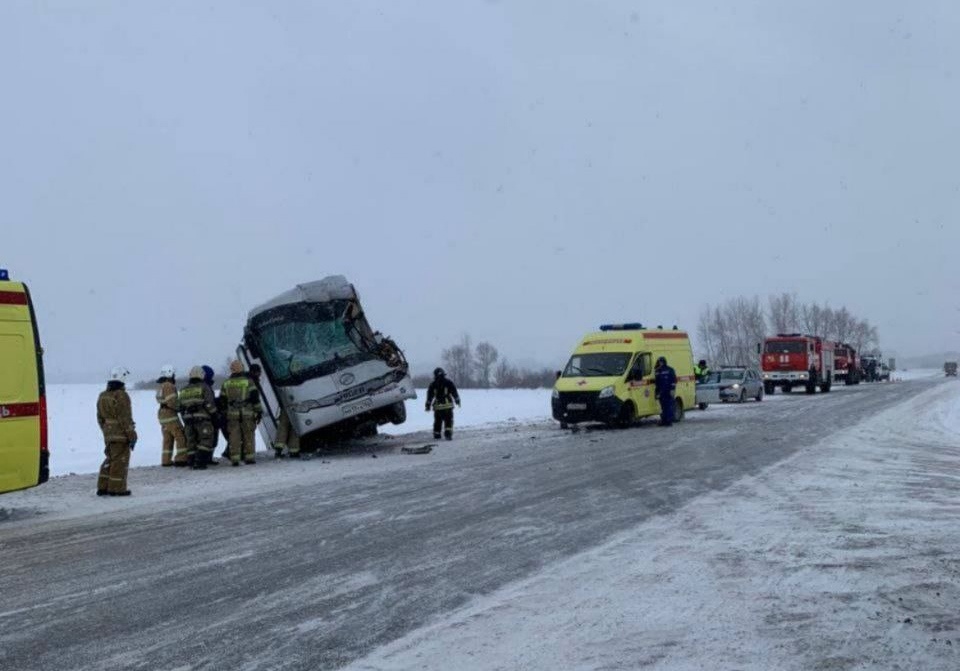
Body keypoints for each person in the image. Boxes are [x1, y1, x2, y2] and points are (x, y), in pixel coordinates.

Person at [96, 367, 137, 496]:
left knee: (110, 459)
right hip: (120, 434)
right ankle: (116, 489)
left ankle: (102, 486)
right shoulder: (121, 395)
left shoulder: (102, 396)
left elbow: (100, 418)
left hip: (108, 434)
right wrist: (132, 436)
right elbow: (125, 418)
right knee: (120, 461)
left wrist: (106, 430)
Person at [219, 360, 263, 465]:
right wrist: (259, 412)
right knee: (249, 435)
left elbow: (222, 400)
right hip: (247, 413)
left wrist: (225, 412)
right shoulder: (249, 381)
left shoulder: (226, 383)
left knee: (234, 436)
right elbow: (255, 398)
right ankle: (250, 458)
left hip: (232, 414)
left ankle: (235, 459)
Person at [179, 365, 219, 469]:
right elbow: (209, 404)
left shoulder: (183, 389)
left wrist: (185, 419)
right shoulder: (204, 387)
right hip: (202, 420)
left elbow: (181, 407)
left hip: (188, 420)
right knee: (206, 439)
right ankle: (200, 462)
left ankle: (191, 461)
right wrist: (215, 416)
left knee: (191, 442)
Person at [155, 364, 188, 467]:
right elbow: (172, 401)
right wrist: (181, 407)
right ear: (169, 373)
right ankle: (181, 459)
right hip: (170, 414)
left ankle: (166, 460)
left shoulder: (161, 386)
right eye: (173, 374)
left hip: (162, 415)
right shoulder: (169, 385)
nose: (174, 376)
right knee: (180, 435)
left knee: (167, 438)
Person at [425, 367, 461, 440]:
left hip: (437, 407)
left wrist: (428, 405)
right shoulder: (449, 382)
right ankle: (448, 434)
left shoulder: (433, 384)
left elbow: (430, 396)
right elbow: (454, 392)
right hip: (448, 406)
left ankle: (437, 434)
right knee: (448, 420)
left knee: (437, 421)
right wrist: (457, 400)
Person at [654, 356, 677, 427]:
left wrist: (672, 389)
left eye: (661, 361)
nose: (660, 363)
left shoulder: (670, 369)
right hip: (661, 391)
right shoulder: (657, 370)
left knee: (668, 406)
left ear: (664, 362)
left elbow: (674, 380)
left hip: (668, 391)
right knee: (663, 407)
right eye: (659, 362)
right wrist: (657, 392)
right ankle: (664, 420)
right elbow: (657, 382)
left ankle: (668, 421)